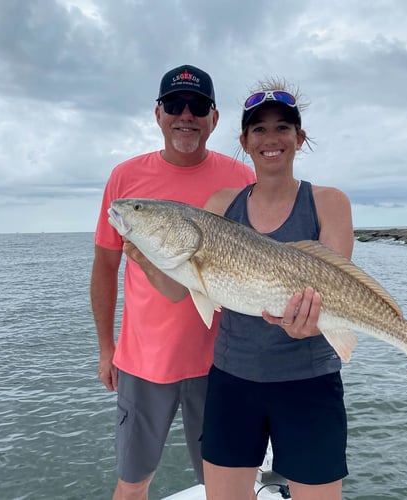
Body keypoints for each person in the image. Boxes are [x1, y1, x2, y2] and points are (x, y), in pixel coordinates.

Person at [90, 64, 255, 500]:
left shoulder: (242, 179)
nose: (186, 114)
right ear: (158, 114)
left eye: (198, 106)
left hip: (224, 362)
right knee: (132, 483)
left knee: (226, 485)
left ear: (214, 118)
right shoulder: (126, 182)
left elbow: (261, 264)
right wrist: (107, 349)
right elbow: (105, 266)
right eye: (175, 105)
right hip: (145, 361)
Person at [200, 79, 354, 500]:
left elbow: (338, 287)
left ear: (299, 138)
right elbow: (185, 288)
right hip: (233, 379)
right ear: (245, 141)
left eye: (283, 127)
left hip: (309, 382)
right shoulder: (219, 207)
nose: (272, 138)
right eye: (259, 129)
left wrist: (312, 322)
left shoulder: (328, 202)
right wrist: (144, 252)